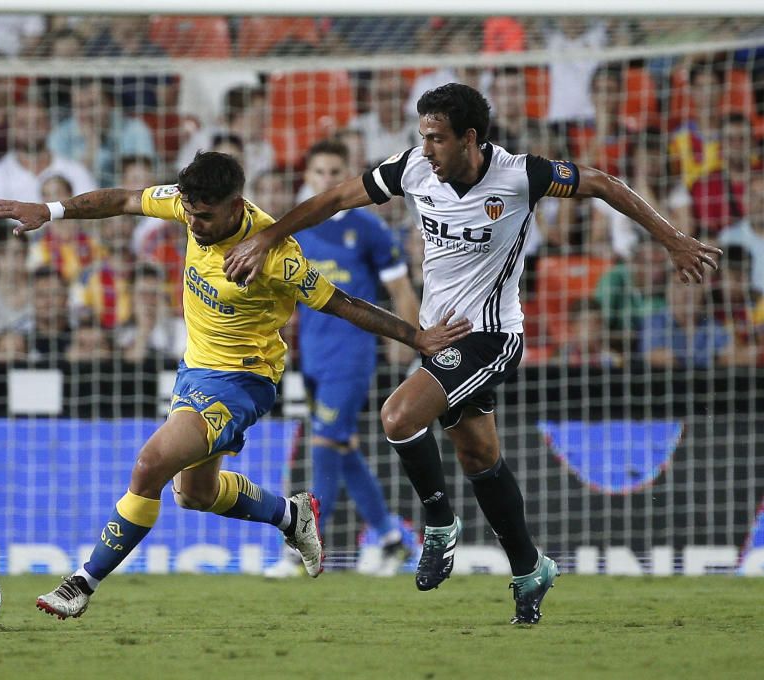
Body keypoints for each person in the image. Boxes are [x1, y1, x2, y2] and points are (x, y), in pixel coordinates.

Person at [222, 83, 721, 624]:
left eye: (437, 138)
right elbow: (338, 198)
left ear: (470, 139)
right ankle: (531, 569)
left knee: (398, 416)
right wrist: (270, 236)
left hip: (490, 336)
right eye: (423, 137)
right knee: (478, 456)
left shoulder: (519, 175)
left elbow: (601, 183)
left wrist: (672, 239)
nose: (427, 148)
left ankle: (438, 525)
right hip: (442, 337)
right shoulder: (412, 168)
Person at [0, 150, 471, 619]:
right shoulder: (186, 201)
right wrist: (49, 210)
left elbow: (345, 304)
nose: (193, 225)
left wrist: (415, 337)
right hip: (194, 369)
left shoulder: (278, 257)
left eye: (205, 217)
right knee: (193, 493)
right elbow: (123, 200)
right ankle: (291, 516)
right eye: (190, 214)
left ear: (236, 206)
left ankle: (81, 584)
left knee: (150, 464)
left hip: (243, 380)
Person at [264, 139, 420, 578]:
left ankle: (303, 551)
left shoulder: (369, 231)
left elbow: (401, 292)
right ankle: (390, 540)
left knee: (326, 445)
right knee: (343, 445)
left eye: (336, 172)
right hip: (310, 357)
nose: (327, 180)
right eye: (319, 172)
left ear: (348, 176)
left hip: (352, 356)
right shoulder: (295, 230)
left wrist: (414, 347)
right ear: (306, 178)